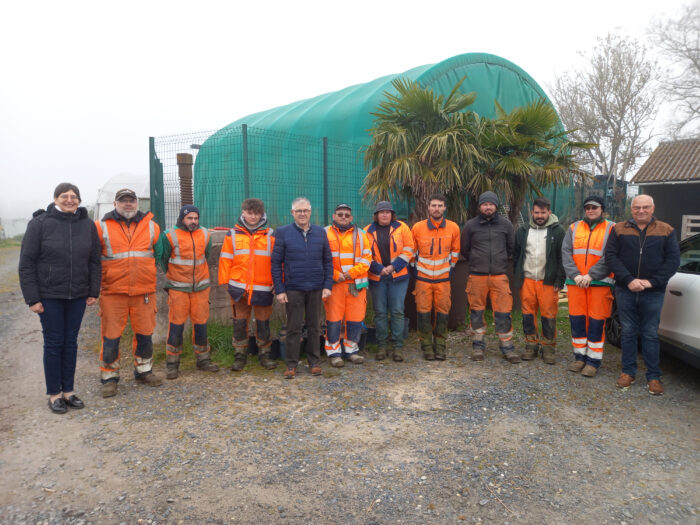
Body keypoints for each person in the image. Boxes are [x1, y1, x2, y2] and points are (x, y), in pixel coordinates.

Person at [19, 183, 101, 414]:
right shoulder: (40, 224)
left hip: (77, 295)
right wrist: (32, 298)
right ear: (55, 199)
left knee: (71, 342)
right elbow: (26, 263)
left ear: (79, 200)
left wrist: (93, 291)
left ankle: (69, 392)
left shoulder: (87, 225)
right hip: (49, 295)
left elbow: (94, 261)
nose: (69, 200)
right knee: (54, 342)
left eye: (74, 196)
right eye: (64, 196)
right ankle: (54, 394)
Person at [605, 195, 680, 395]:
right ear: (631, 209)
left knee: (650, 333)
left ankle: (653, 376)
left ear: (652, 208)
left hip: (653, 291)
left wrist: (652, 282)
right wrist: (629, 279)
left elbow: (672, 260)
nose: (641, 211)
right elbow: (611, 257)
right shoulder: (619, 229)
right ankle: (628, 372)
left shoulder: (666, 230)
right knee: (628, 331)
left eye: (645, 207)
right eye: (637, 207)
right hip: (625, 289)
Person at [95, 188, 163, 397]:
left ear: (137, 203)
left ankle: (144, 371)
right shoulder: (101, 226)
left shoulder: (152, 226)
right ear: (115, 204)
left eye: (131, 200)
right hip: (113, 292)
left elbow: (159, 254)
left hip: (144, 292)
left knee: (145, 334)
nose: (128, 204)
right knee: (111, 336)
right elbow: (92, 259)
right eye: (123, 200)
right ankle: (109, 378)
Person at [271, 197, 333, 379]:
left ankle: (314, 362)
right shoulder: (283, 232)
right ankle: (291, 364)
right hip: (294, 288)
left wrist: (327, 285)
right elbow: (276, 263)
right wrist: (280, 289)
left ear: (310, 212)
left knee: (314, 327)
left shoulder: (320, 233)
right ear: (292, 213)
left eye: (305, 210)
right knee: (293, 328)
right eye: (299, 211)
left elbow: (328, 261)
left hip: (316, 287)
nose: (302, 214)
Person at [155, 204, 219, 379]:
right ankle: (172, 364)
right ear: (182, 218)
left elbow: (206, 255)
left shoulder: (205, 234)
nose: (193, 221)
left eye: (196, 218)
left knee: (201, 323)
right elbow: (164, 259)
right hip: (178, 288)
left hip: (201, 287)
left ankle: (203, 359)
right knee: (176, 324)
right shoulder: (169, 235)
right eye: (190, 218)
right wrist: (175, 277)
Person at [218, 198, 277, 372]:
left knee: (263, 323)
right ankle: (239, 355)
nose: (253, 217)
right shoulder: (232, 234)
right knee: (239, 323)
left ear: (262, 214)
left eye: (257, 213)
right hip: (239, 289)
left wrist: (277, 283)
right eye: (250, 213)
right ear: (243, 212)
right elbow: (225, 259)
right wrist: (225, 282)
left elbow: (277, 261)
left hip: (263, 288)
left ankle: (265, 355)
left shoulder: (271, 235)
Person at [461, 191, 518, 363]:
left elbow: (511, 247)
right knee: (476, 311)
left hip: (499, 276)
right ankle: (478, 346)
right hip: (477, 276)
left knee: (503, 312)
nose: (488, 207)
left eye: (491, 204)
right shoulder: (470, 226)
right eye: (485, 204)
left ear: (496, 206)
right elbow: (465, 249)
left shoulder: (506, 225)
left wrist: (499, 261)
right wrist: (478, 261)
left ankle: (507, 347)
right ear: (480, 207)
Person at [561, 195, 615, 377]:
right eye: (588, 208)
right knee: (577, 321)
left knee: (596, 322)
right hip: (576, 283)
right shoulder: (574, 228)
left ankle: (593, 361)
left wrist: (591, 275)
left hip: (600, 283)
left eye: (594, 207)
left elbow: (611, 255)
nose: (591, 210)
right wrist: (576, 275)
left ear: (602, 209)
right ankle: (579, 358)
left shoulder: (611, 228)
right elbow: (566, 252)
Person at [513, 197, 566, 364]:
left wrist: (560, 280)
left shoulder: (558, 231)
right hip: (527, 279)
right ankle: (531, 346)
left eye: (543, 212)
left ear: (549, 212)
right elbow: (517, 255)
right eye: (536, 212)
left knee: (548, 314)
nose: (540, 216)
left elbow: (562, 257)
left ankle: (548, 348)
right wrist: (518, 276)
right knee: (528, 314)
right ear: (532, 212)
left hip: (547, 281)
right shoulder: (523, 230)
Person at [410, 194, 460, 360]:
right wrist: (416, 270)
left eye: (440, 206)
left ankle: (440, 346)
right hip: (422, 280)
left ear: (444, 208)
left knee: (443, 313)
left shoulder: (453, 228)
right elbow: (412, 251)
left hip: (443, 280)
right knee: (423, 313)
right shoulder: (418, 228)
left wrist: (449, 269)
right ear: (428, 207)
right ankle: (426, 347)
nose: (436, 209)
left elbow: (455, 252)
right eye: (433, 205)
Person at [365, 201, 414, 362]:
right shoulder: (367, 231)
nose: (385, 214)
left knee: (397, 311)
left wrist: (393, 267)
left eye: (388, 212)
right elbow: (365, 254)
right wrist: (379, 269)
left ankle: (397, 346)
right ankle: (382, 345)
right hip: (377, 277)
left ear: (392, 214)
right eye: (381, 212)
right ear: (376, 215)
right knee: (380, 312)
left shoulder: (402, 227)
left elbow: (409, 249)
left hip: (398, 277)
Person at [324, 204, 372, 367]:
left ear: (351, 218)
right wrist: (335, 275)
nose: (343, 217)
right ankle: (334, 353)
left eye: (346, 215)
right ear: (334, 216)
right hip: (335, 284)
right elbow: (320, 259)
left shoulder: (362, 234)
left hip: (356, 284)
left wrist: (351, 273)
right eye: (340, 214)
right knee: (333, 319)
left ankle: (352, 351)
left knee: (355, 319)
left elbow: (367, 258)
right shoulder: (324, 233)